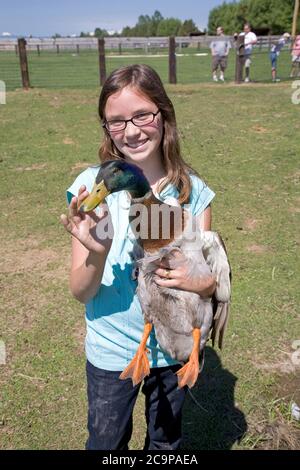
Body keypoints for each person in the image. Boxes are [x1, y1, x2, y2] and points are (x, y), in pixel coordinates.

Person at [60, 64, 216, 451]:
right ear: (106, 128)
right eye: (116, 122)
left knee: (165, 444)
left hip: (174, 349)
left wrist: (197, 282)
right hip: (112, 351)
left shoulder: (191, 194)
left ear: (163, 115)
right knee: (106, 443)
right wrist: (96, 254)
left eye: (142, 115)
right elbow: (81, 291)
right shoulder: (89, 190)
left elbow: (210, 281)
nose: (130, 131)